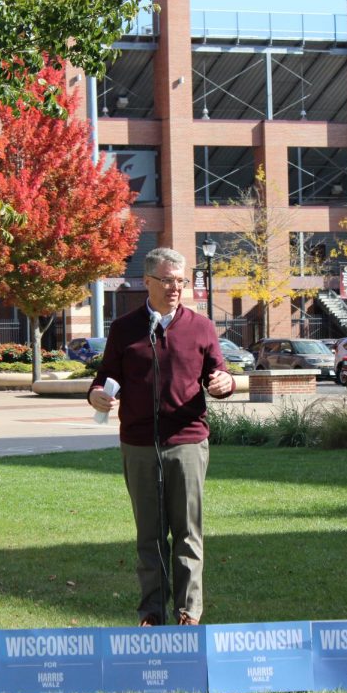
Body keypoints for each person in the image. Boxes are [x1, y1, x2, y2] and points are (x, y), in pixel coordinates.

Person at [89, 247, 235, 627]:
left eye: (180, 281)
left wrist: (226, 382)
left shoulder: (200, 327)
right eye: (167, 280)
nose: (175, 288)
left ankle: (189, 612)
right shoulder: (124, 329)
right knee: (150, 536)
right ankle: (152, 613)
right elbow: (104, 378)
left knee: (188, 533)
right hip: (138, 445)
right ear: (147, 282)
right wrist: (98, 396)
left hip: (187, 442)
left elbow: (219, 374)